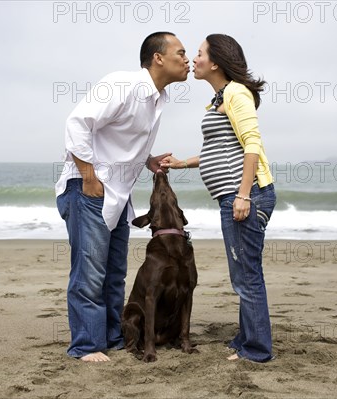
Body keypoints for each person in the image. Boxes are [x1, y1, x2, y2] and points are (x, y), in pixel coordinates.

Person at [55, 32, 189, 362]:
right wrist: (89, 177)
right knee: (89, 274)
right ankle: (86, 346)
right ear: (158, 58)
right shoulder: (123, 85)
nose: (187, 60)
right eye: (181, 53)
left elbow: (120, 141)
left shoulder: (158, 99)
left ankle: (112, 338)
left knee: (115, 274)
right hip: (88, 189)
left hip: (118, 195)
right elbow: (77, 124)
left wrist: (149, 160)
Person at [161, 34, 276, 362]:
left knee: (246, 274)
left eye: (198, 54)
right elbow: (219, 149)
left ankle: (256, 350)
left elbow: (252, 145)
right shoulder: (218, 99)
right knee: (243, 272)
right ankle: (246, 338)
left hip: (245, 197)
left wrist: (243, 196)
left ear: (215, 62)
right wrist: (182, 162)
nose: (193, 60)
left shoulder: (237, 94)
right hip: (235, 197)